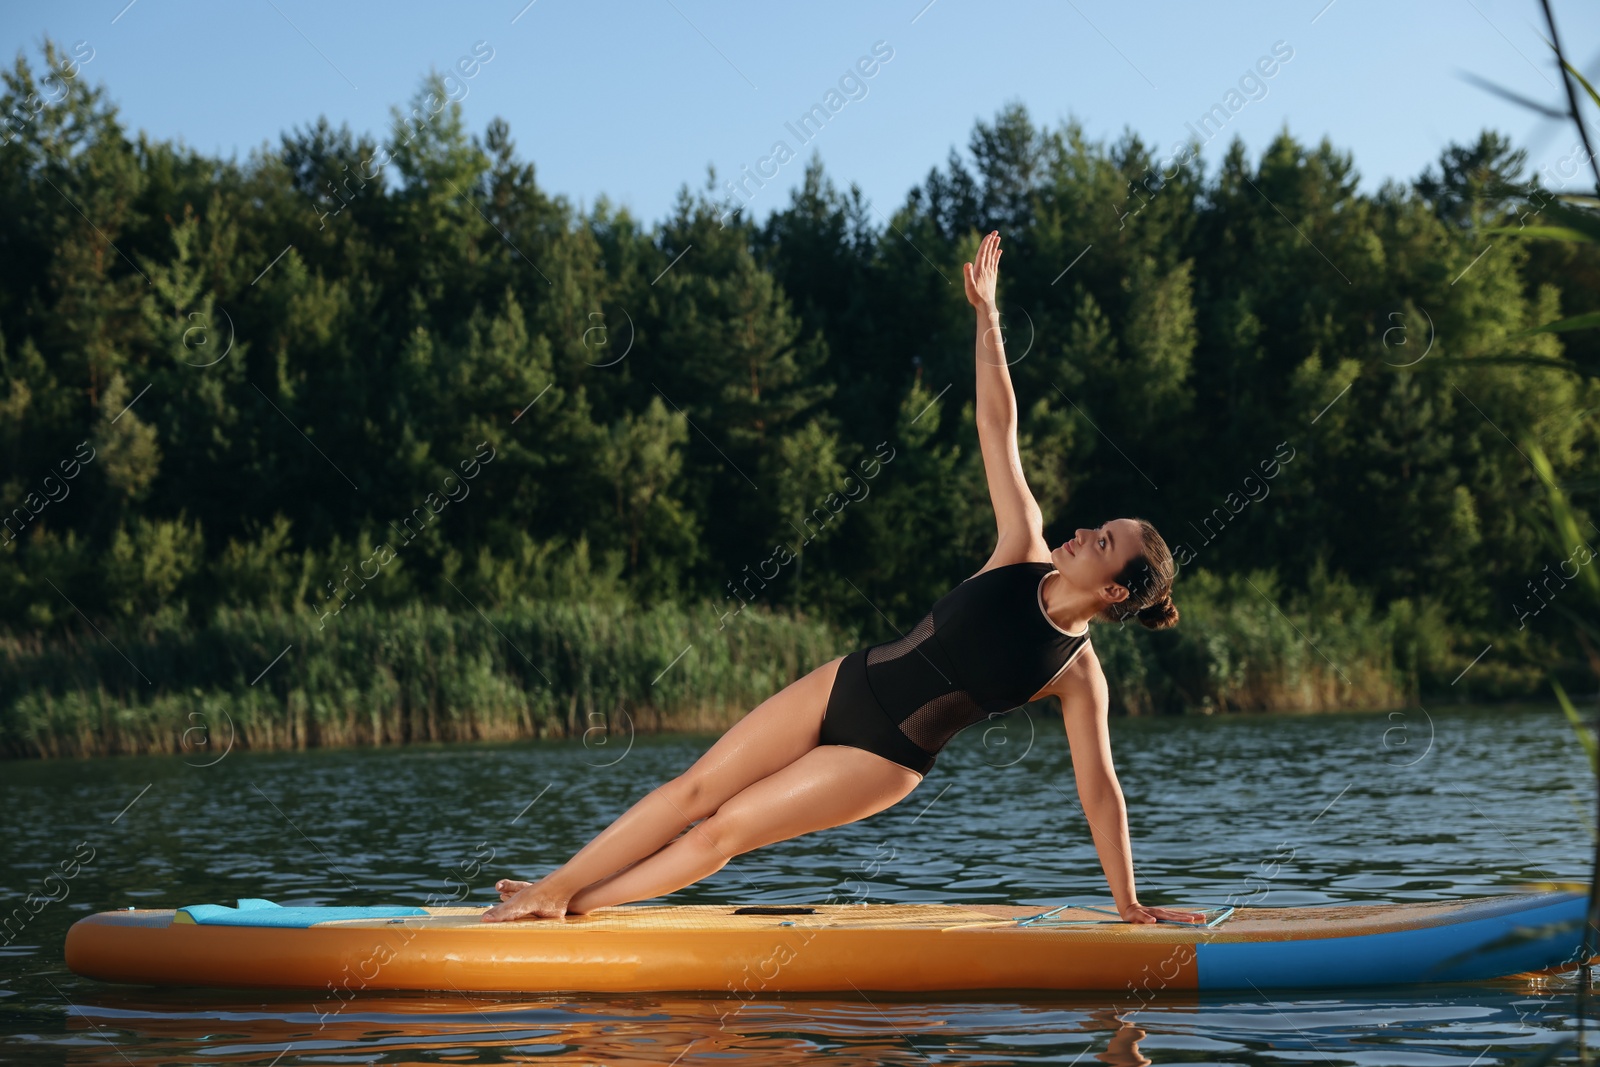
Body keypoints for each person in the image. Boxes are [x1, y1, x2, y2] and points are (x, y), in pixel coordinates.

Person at [483, 230, 1200, 925]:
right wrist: (989, 317)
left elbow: (1099, 791)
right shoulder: (1022, 544)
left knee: (722, 831)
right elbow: (997, 427)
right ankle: (556, 886)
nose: (1081, 532)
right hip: (847, 681)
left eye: (1102, 541)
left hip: (883, 756)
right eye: (1094, 526)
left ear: (1115, 590)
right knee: (694, 788)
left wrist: (1128, 902)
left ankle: (570, 907)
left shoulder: (1077, 672)